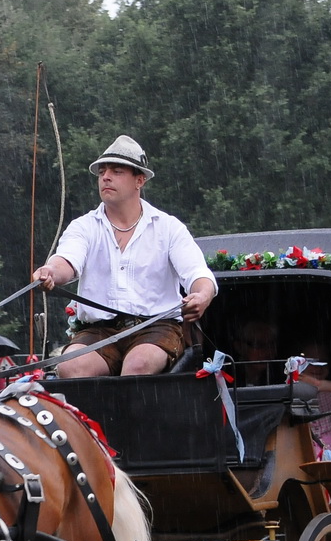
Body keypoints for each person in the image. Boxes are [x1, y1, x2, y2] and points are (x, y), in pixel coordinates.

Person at [31, 135, 216, 377]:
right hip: (99, 331)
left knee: (138, 365)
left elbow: (199, 275)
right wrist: (50, 272)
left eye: (116, 171)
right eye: (102, 172)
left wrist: (202, 295)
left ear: (139, 180)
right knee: (70, 366)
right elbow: (66, 261)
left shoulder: (169, 227)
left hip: (156, 328)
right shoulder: (83, 227)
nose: (105, 176)